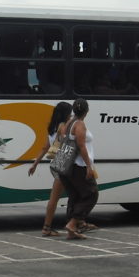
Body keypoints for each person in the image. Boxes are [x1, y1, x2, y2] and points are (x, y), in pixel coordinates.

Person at [28, 101, 72, 236]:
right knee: (55, 197)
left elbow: (45, 147)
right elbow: (67, 144)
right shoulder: (63, 127)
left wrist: (35, 163)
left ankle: (76, 222)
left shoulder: (52, 127)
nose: (71, 115)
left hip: (54, 164)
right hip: (62, 162)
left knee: (75, 194)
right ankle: (47, 228)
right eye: (70, 113)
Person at [58, 98, 99, 239]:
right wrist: (89, 166)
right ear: (86, 111)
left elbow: (63, 139)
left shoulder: (68, 123)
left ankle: (75, 226)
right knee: (91, 194)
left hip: (67, 164)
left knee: (75, 195)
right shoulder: (79, 124)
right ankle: (73, 223)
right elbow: (81, 146)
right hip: (79, 165)